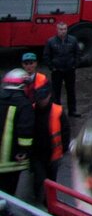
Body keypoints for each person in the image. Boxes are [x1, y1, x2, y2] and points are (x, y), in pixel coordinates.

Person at [28, 84, 69, 205]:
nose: (41, 101)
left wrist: (64, 148)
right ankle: (38, 199)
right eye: (39, 98)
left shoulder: (58, 111)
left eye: (43, 98)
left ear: (49, 96)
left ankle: (49, 202)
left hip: (53, 154)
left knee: (51, 181)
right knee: (39, 179)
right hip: (37, 154)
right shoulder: (32, 109)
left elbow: (65, 130)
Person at [0, 69, 34, 197]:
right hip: (11, 160)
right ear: (22, 85)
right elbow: (25, 130)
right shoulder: (24, 104)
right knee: (8, 192)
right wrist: (24, 151)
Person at [44, 22, 81, 118]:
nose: (63, 31)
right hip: (57, 71)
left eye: (64, 29)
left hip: (70, 70)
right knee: (56, 92)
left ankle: (72, 111)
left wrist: (75, 65)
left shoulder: (73, 40)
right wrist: (52, 67)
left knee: (71, 91)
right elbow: (46, 55)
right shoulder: (51, 41)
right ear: (57, 30)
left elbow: (77, 53)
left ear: (67, 29)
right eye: (61, 29)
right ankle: (57, 112)